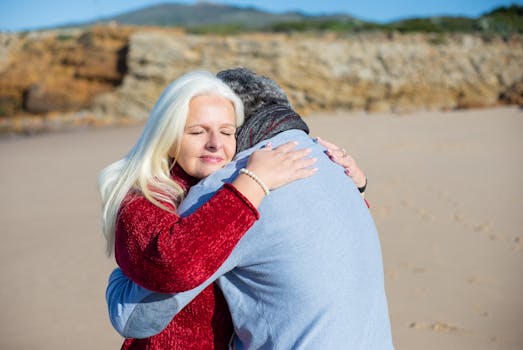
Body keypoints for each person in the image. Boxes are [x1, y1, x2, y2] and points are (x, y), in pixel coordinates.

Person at [106, 68, 393, 349]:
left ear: (238, 126)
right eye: (197, 130)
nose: (215, 144)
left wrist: (123, 273)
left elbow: (134, 317)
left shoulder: (233, 186)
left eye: (226, 130)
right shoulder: (332, 163)